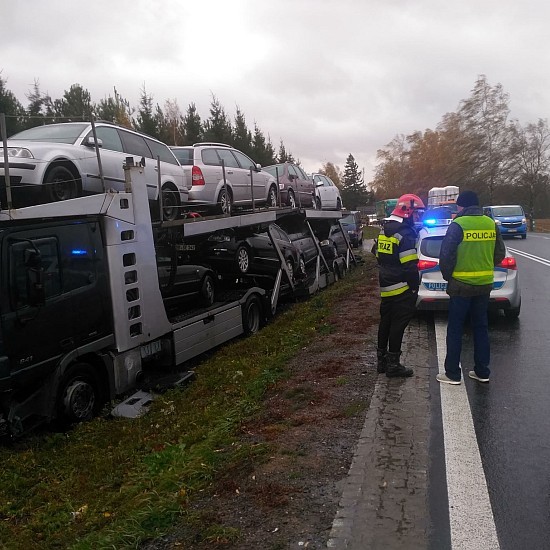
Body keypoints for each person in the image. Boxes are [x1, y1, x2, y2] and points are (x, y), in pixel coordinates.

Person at [436, 190, 505, 385]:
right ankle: (482, 371)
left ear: (462, 206)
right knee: (481, 327)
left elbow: (446, 255)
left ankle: (452, 374)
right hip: (484, 285)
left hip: (460, 286)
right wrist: (484, 266)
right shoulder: (491, 224)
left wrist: (448, 277)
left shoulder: (458, 225)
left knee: (456, 329)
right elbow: (499, 252)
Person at [373, 193, 425, 377]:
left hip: (386, 284)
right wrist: (413, 287)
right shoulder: (405, 233)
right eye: (417, 213)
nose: (419, 217)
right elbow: (410, 265)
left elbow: (377, 253)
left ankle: (382, 362)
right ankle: (393, 365)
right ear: (407, 211)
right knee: (398, 324)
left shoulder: (384, 229)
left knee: (385, 322)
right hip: (402, 286)